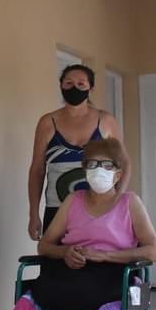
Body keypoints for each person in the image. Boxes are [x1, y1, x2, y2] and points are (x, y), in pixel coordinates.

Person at [30, 137, 156, 310]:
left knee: (85, 292)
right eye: (92, 164)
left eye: (107, 165)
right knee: (41, 288)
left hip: (113, 271)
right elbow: (44, 246)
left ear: (118, 175)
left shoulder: (129, 202)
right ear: (85, 171)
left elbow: (154, 252)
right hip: (73, 269)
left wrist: (104, 255)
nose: (99, 170)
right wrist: (65, 252)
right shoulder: (73, 200)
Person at [27, 63, 130, 241]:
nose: (74, 87)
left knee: (98, 255)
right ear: (61, 85)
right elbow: (37, 169)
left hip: (98, 209)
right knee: (55, 256)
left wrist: (117, 198)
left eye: (81, 84)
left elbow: (124, 162)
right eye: (69, 83)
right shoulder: (47, 122)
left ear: (91, 88)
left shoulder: (105, 121)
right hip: (57, 208)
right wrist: (33, 214)